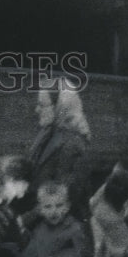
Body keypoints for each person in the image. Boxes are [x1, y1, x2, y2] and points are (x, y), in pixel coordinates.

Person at [27, 85, 91, 217]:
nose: (37, 110)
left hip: (58, 222)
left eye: (42, 105)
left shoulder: (71, 145)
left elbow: (63, 197)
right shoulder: (50, 133)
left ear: (60, 107)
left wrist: (25, 220)